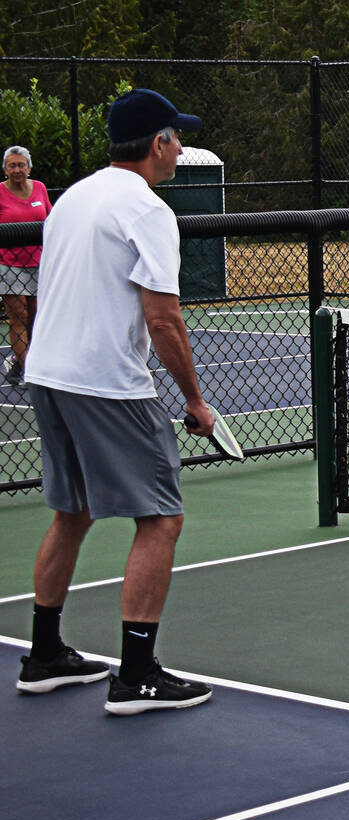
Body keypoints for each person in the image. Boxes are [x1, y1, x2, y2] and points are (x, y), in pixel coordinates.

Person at [17, 89, 218, 714]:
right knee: (160, 519)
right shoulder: (148, 210)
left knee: (72, 512)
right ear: (158, 143)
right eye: (176, 138)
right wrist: (195, 400)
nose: (181, 149)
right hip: (105, 383)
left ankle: (44, 654)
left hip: (46, 375)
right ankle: (136, 676)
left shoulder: (73, 197)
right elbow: (163, 319)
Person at [0, 145, 50, 386]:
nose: (17, 169)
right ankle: (27, 370)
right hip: (8, 265)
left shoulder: (39, 188)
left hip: (39, 263)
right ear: (5, 169)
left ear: (29, 167)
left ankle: (21, 362)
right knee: (18, 315)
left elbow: (50, 219)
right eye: (12, 165)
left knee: (36, 316)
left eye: (21, 165)